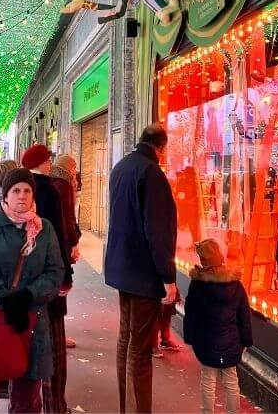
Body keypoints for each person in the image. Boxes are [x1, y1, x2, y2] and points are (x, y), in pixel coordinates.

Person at [0, 167, 64, 414]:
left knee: (27, 402)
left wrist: (29, 295)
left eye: (27, 190)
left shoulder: (44, 229)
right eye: (16, 190)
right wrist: (5, 297)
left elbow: (55, 272)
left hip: (33, 325)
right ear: (5, 195)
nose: (22, 196)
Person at [104, 124, 177, 414]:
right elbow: (158, 231)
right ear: (161, 147)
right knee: (141, 350)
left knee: (126, 339)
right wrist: (168, 277)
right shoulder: (152, 173)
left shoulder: (121, 167)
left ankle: (127, 406)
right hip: (144, 272)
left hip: (122, 267)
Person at [22, 144, 72, 414]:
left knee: (24, 345)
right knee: (53, 344)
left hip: (22, 283)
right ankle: (54, 406)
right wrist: (66, 276)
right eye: (48, 159)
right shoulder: (50, 191)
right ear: (40, 162)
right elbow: (60, 236)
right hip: (48, 279)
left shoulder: (16, 189)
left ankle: (27, 405)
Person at [182, 239, 252, 414]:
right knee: (231, 380)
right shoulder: (236, 284)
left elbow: (191, 313)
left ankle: (207, 411)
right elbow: (244, 315)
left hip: (206, 342)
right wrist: (246, 341)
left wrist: (189, 337)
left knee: (208, 379)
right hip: (232, 341)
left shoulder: (198, 285)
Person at [51, 154, 82, 349]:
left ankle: (58, 334)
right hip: (61, 245)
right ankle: (58, 336)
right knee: (60, 290)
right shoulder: (63, 186)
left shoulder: (53, 182)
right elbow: (68, 217)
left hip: (55, 244)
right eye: (74, 168)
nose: (75, 171)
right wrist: (74, 242)